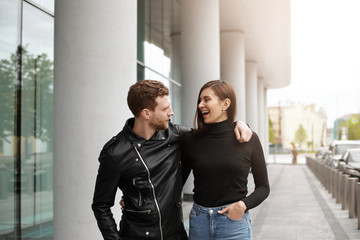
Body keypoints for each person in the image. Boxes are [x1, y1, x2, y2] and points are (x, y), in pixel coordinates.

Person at [91, 80, 252, 240]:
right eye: (165, 108)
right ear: (147, 113)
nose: (172, 112)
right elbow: (101, 205)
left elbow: (212, 135)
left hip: (176, 235)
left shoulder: (175, 135)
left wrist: (240, 124)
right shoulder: (115, 152)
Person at [182, 80, 270, 240]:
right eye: (199, 100)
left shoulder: (248, 138)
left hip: (233, 223)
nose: (200, 105)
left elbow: (263, 187)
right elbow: (175, 183)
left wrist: (243, 205)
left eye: (207, 99)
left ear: (225, 104)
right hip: (199, 222)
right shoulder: (191, 139)